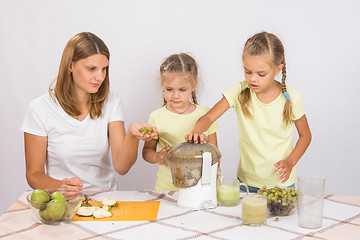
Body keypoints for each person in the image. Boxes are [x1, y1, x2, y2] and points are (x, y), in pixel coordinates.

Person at [21, 32, 156, 193]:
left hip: (105, 199)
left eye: (104, 69)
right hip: (63, 204)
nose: (100, 77)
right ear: (70, 65)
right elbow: (34, 175)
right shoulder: (40, 108)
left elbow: (122, 167)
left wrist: (132, 135)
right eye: (91, 69)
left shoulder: (111, 101)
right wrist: (60, 186)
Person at [186, 32, 312, 192]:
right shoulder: (239, 91)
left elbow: (306, 135)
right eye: (247, 72)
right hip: (246, 184)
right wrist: (197, 131)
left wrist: (290, 162)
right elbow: (209, 117)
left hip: (281, 186)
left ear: (277, 69)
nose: (253, 79)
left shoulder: (292, 97)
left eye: (261, 74)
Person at [142, 53, 219, 191]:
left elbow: (215, 154)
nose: (175, 95)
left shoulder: (205, 115)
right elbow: (147, 151)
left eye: (182, 90)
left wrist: (214, 182)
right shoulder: (157, 116)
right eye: (169, 89)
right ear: (162, 85)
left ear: (194, 85)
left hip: (200, 189)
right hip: (167, 189)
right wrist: (158, 156)